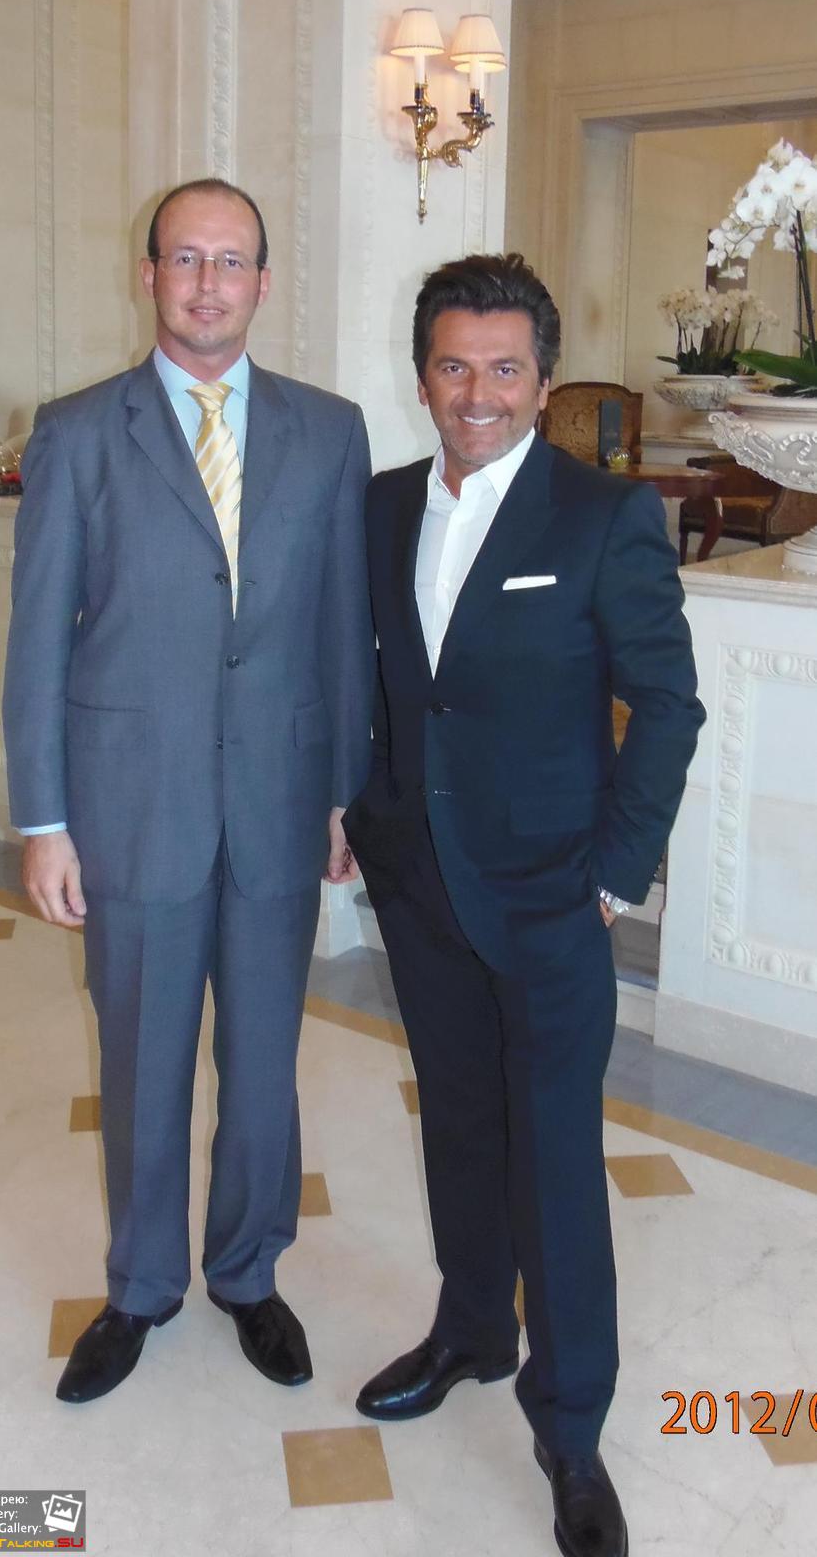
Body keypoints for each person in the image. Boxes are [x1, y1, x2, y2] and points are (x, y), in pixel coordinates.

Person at [342, 253, 704, 1557]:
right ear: (423, 376)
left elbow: (667, 706)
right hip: (418, 882)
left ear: (543, 384)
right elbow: (379, 678)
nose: (476, 393)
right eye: (454, 366)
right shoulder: (384, 505)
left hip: (553, 895)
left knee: (553, 1162)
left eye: (504, 369)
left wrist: (614, 874)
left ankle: (570, 1429)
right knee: (456, 1122)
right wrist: (354, 805)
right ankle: (470, 1331)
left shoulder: (603, 517)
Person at [2, 179, 373, 1404]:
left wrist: (345, 794)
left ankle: (249, 1273)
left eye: (231, 261)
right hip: (132, 810)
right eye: (186, 259)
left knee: (264, 1068)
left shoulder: (330, 432)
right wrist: (44, 819)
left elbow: (342, 628)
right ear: (149, 273)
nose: (208, 283)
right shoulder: (76, 433)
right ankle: (141, 1286)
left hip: (278, 806)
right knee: (143, 1063)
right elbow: (38, 641)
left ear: (264, 280)